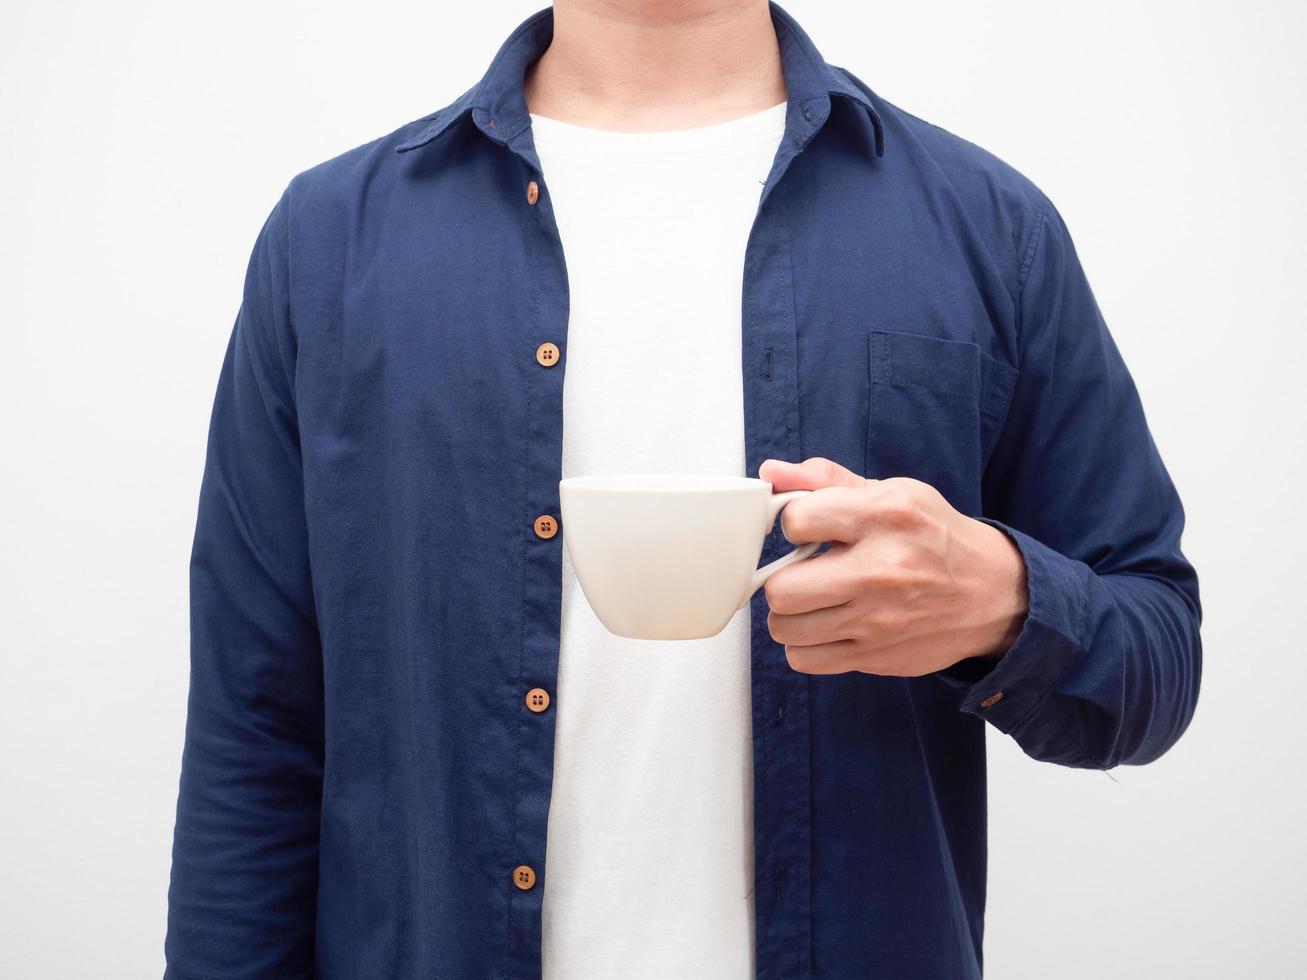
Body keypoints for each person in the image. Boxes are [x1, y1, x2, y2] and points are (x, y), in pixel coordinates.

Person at [164, 2, 1201, 977]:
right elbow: (252, 724)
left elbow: (1155, 655)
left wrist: (1006, 600)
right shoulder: (329, 240)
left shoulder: (985, 226)